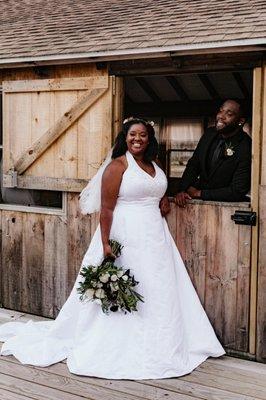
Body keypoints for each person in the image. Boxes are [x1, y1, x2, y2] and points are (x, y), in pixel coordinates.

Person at [0, 117, 224, 379]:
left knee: (159, 286)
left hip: (156, 236)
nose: (137, 139)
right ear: (125, 138)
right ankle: (120, 342)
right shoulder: (117, 167)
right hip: (125, 233)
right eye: (132, 135)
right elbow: (106, 209)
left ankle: (161, 340)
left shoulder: (153, 164)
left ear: (149, 139)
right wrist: (106, 243)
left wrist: (164, 198)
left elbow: (155, 187)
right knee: (131, 284)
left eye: (142, 135)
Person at [176, 99, 252, 207]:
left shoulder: (245, 145)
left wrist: (199, 193)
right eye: (221, 111)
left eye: (229, 114)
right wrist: (182, 190)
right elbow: (194, 164)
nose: (221, 116)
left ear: (241, 121)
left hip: (226, 208)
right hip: (197, 206)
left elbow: (238, 190)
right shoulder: (209, 133)